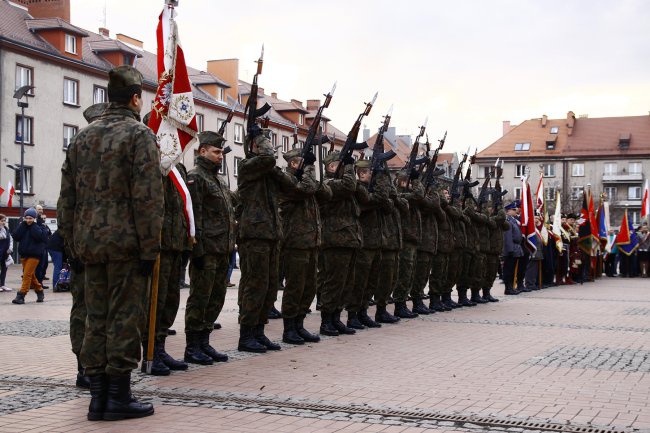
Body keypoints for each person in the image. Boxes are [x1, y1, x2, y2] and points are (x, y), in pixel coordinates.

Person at [58, 65, 163, 421]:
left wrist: (72, 244)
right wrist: (150, 248)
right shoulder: (139, 135)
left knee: (94, 318)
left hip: (88, 243)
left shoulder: (82, 137)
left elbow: (66, 198)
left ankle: (97, 398)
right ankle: (117, 396)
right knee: (123, 318)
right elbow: (148, 198)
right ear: (135, 98)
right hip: (126, 244)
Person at [237, 127, 290, 352]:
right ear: (253, 146)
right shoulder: (247, 166)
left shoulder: (267, 170)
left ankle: (259, 331)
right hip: (255, 234)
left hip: (271, 233)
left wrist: (276, 170)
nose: (267, 145)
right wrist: (258, 138)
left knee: (269, 286)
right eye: (262, 142)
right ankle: (246, 334)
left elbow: (290, 186)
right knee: (255, 285)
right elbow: (267, 157)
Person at [184, 131, 235, 364]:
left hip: (222, 248)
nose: (220, 156)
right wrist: (198, 251)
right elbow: (196, 217)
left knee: (216, 298)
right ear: (202, 151)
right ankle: (192, 346)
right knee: (200, 299)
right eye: (216, 152)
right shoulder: (196, 177)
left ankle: (204, 342)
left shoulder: (218, 180)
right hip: (207, 250)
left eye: (221, 152)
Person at [278, 147, 329, 344]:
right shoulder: (287, 181)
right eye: (303, 162)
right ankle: (289, 328)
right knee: (295, 287)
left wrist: (312, 171)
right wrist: (309, 168)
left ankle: (299, 325)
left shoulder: (306, 180)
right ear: (293, 164)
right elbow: (307, 188)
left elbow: (326, 193)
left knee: (308, 287)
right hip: (295, 242)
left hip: (311, 242)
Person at [316, 151, 361, 336]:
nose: (346, 169)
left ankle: (336, 318)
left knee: (346, 283)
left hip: (349, 239)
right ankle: (326, 320)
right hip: (334, 240)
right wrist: (350, 166)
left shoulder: (343, 184)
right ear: (331, 167)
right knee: (334, 282)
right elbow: (349, 185)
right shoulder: (329, 184)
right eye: (340, 166)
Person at [347, 160, 390, 328]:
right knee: (359, 282)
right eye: (368, 172)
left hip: (377, 242)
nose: (369, 175)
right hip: (364, 242)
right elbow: (376, 199)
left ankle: (363, 312)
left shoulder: (373, 190)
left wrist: (382, 180)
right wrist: (381, 179)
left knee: (371, 282)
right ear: (361, 173)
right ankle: (352, 314)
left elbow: (387, 205)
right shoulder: (358, 189)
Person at [392, 170, 423, 318]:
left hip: (412, 238)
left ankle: (402, 303)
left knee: (409, 274)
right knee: (403, 274)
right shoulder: (399, 195)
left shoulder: (407, 195)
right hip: (404, 238)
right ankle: (399, 304)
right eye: (407, 181)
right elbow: (418, 194)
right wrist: (416, 182)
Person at [11, 207, 48, 304]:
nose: (28, 220)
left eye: (30, 218)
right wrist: (22, 225)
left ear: (34, 218)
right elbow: (16, 236)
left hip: (35, 255)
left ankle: (21, 295)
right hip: (24, 254)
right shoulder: (23, 226)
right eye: (26, 218)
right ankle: (40, 291)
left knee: (26, 275)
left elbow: (40, 237)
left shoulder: (40, 226)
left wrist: (34, 225)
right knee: (31, 275)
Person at [502, 200, 523, 295]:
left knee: (513, 269)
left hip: (516, 247)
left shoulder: (514, 221)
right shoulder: (508, 221)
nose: (516, 211)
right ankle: (508, 288)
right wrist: (510, 249)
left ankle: (511, 287)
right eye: (513, 209)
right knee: (508, 270)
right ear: (508, 211)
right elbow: (508, 237)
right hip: (511, 248)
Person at [34, 205, 51, 289]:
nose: (41, 210)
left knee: (43, 265)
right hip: (35, 247)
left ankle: (39, 283)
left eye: (42, 209)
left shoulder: (41, 221)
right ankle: (35, 284)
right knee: (36, 267)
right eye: (39, 209)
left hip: (43, 246)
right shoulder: (33, 220)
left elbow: (47, 233)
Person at [0, 214, 14, 292]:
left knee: (4, 269)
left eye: (4, 221)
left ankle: (2, 284)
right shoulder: (2, 229)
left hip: (5, 253)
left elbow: (10, 238)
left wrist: (10, 248)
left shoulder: (6, 228)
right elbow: (2, 237)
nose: (4, 222)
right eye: (2, 221)